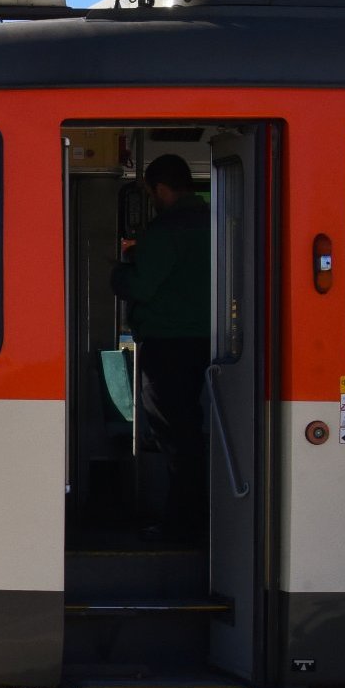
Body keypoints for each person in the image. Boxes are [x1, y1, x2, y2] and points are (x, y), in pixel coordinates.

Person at [112, 154, 211, 541]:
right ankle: (201, 518)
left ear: (162, 189)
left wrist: (120, 272)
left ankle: (182, 524)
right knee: (193, 432)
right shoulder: (215, 222)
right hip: (211, 344)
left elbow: (141, 286)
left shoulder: (167, 228)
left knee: (174, 436)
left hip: (169, 345)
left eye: (152, 193)